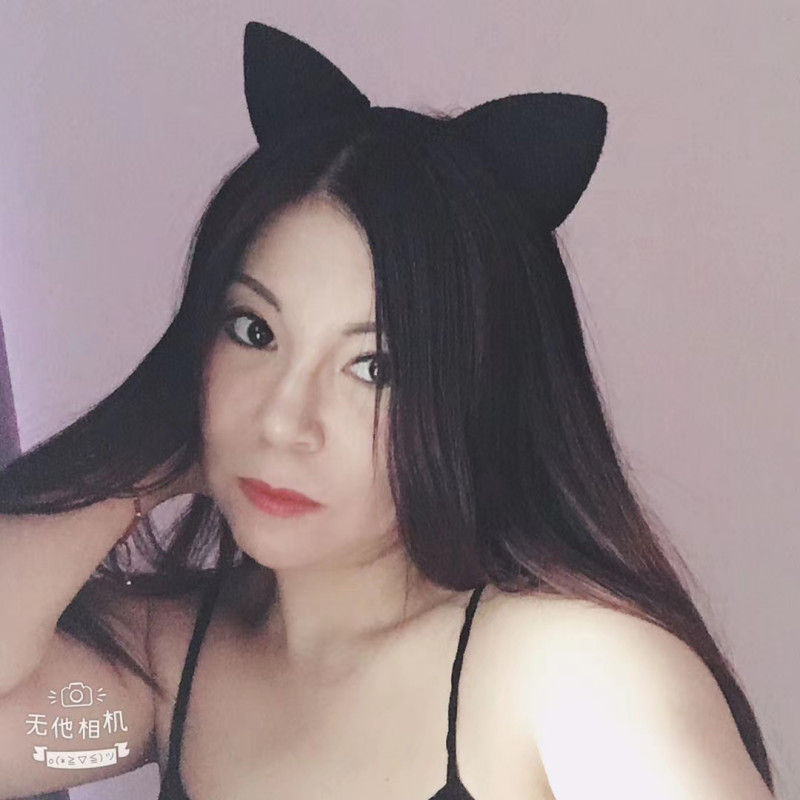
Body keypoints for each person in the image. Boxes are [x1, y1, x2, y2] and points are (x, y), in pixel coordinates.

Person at [0, 20, 777, 800]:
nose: (284, 420)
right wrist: (136, 462)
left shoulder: (573, 674)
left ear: (478, 400)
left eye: (376, 368)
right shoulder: (171, 670)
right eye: (255, 331)